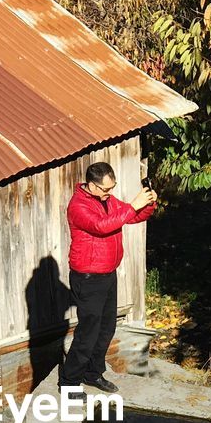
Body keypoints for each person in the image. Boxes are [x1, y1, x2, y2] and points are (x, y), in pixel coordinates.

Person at [59, 161, 157, 392]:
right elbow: (102, 226)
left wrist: (148, 203)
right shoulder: (78, 206)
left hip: (107, 273)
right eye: (105, 189)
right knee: (88, 332)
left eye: (112, 188)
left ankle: (93, 374)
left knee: (106, 329)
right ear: (91, 186)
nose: (109, 193)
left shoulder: (107, 200)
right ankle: (69, 382)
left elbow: (130, 216)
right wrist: (134, 205)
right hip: (88, 277)